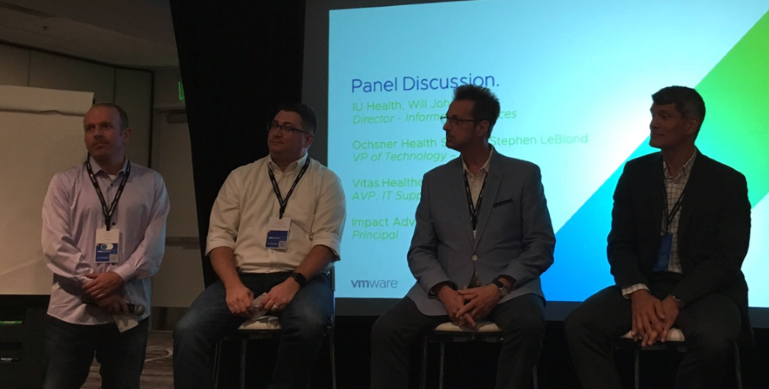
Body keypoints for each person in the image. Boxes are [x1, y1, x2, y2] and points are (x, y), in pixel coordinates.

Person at [370, 84, 556, 389]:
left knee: (528, 325)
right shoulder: (434, 180)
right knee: (386, 330)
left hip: (508, 289)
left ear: (482, 127)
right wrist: (444, 291)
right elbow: (420, 250)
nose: (446, 126)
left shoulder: (523, 174)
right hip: (446, 289)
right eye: (446, 119)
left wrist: (498, 288)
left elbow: (541, 245)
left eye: (456, 120)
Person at [565, 86, 751, 389]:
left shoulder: (727, 182)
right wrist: (638, 293)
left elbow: (727, 259)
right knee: (580, 325)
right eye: (653, 115)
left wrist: (676, 300)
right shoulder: (636, 173)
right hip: (647, 285)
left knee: (714, 340)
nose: (653, 124)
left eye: (664, 116)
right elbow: (620, 243)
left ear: (690, 125)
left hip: (706, 292)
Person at [173, 102, 345, 389]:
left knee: (309, 323)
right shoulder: (241, 177)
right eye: (274, 125)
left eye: (288, 128)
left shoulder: (326, 181)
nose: (276, 132)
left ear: (308, 139)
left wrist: (292, 283)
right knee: (188, 329)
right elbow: (219, 238)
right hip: (243, 277)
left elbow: (326, 243)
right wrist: (232, 285)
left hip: (303, 279)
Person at [41, 103, 170, 389]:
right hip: (72, 311)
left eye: (106, 126)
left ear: (126, 134)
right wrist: (98, 290)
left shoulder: (151, 183)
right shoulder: (64, 183)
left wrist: (117, 277)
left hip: (128, 309)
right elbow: (55, 245)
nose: (97, 133)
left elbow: (153, 246)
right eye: (90, 128)